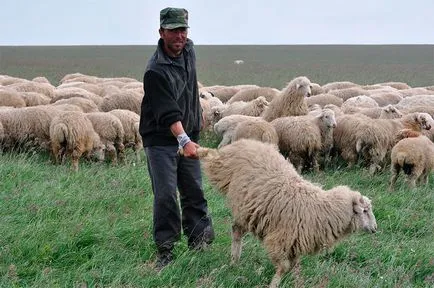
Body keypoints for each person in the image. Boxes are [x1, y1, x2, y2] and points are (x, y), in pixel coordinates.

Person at [139, 7, 214, 270]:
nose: (179, 36)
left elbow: (191, 85)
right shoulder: (156, 71)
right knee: (166, 195)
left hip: (188, 131)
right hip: (161, 139)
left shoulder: (189, 51)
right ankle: (166, 250)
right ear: (161, 32)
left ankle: (200, 241)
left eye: (183, 30)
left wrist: (197, 114)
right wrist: (184, 140)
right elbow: (168, 112)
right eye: (173, 31)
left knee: (194, 189)